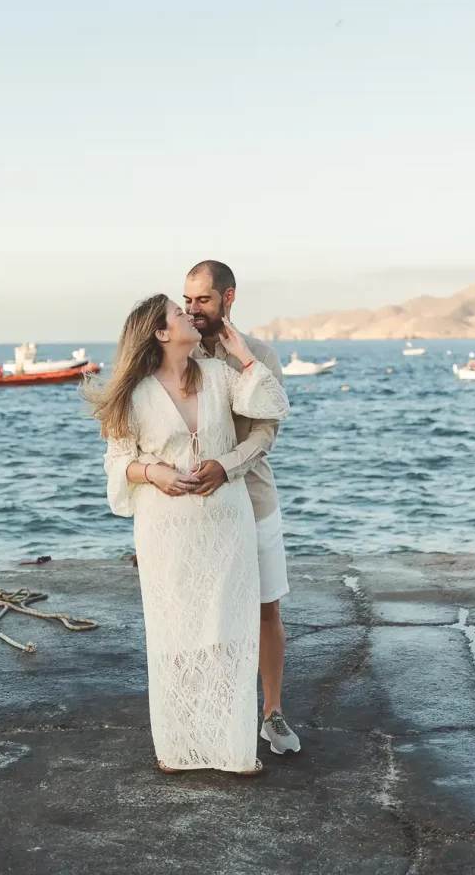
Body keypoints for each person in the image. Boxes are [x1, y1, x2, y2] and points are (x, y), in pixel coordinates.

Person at [89, 294, 289, 774]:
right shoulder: (133, 395)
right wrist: (151, 471)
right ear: (160, 333)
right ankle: (179, 746)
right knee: (173, 632)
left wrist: (242, 354)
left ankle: (233, 749)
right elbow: (117, 463)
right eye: (178, 314)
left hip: (228, 522)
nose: (188, 315)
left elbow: (273, 405)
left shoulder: (219, 376)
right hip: (166, 529)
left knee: (229, 626)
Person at [182, 260, 301, 756]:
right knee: (203, 610)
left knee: (266, 607)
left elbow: (265, 433)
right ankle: (211, 710)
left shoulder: (262, 354)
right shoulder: (175, 352)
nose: (192, 310)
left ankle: (272, 713)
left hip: (252, 500)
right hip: (196, 505)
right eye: (186, 300)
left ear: (228, 298)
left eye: (202, 300)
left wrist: (225, 466)